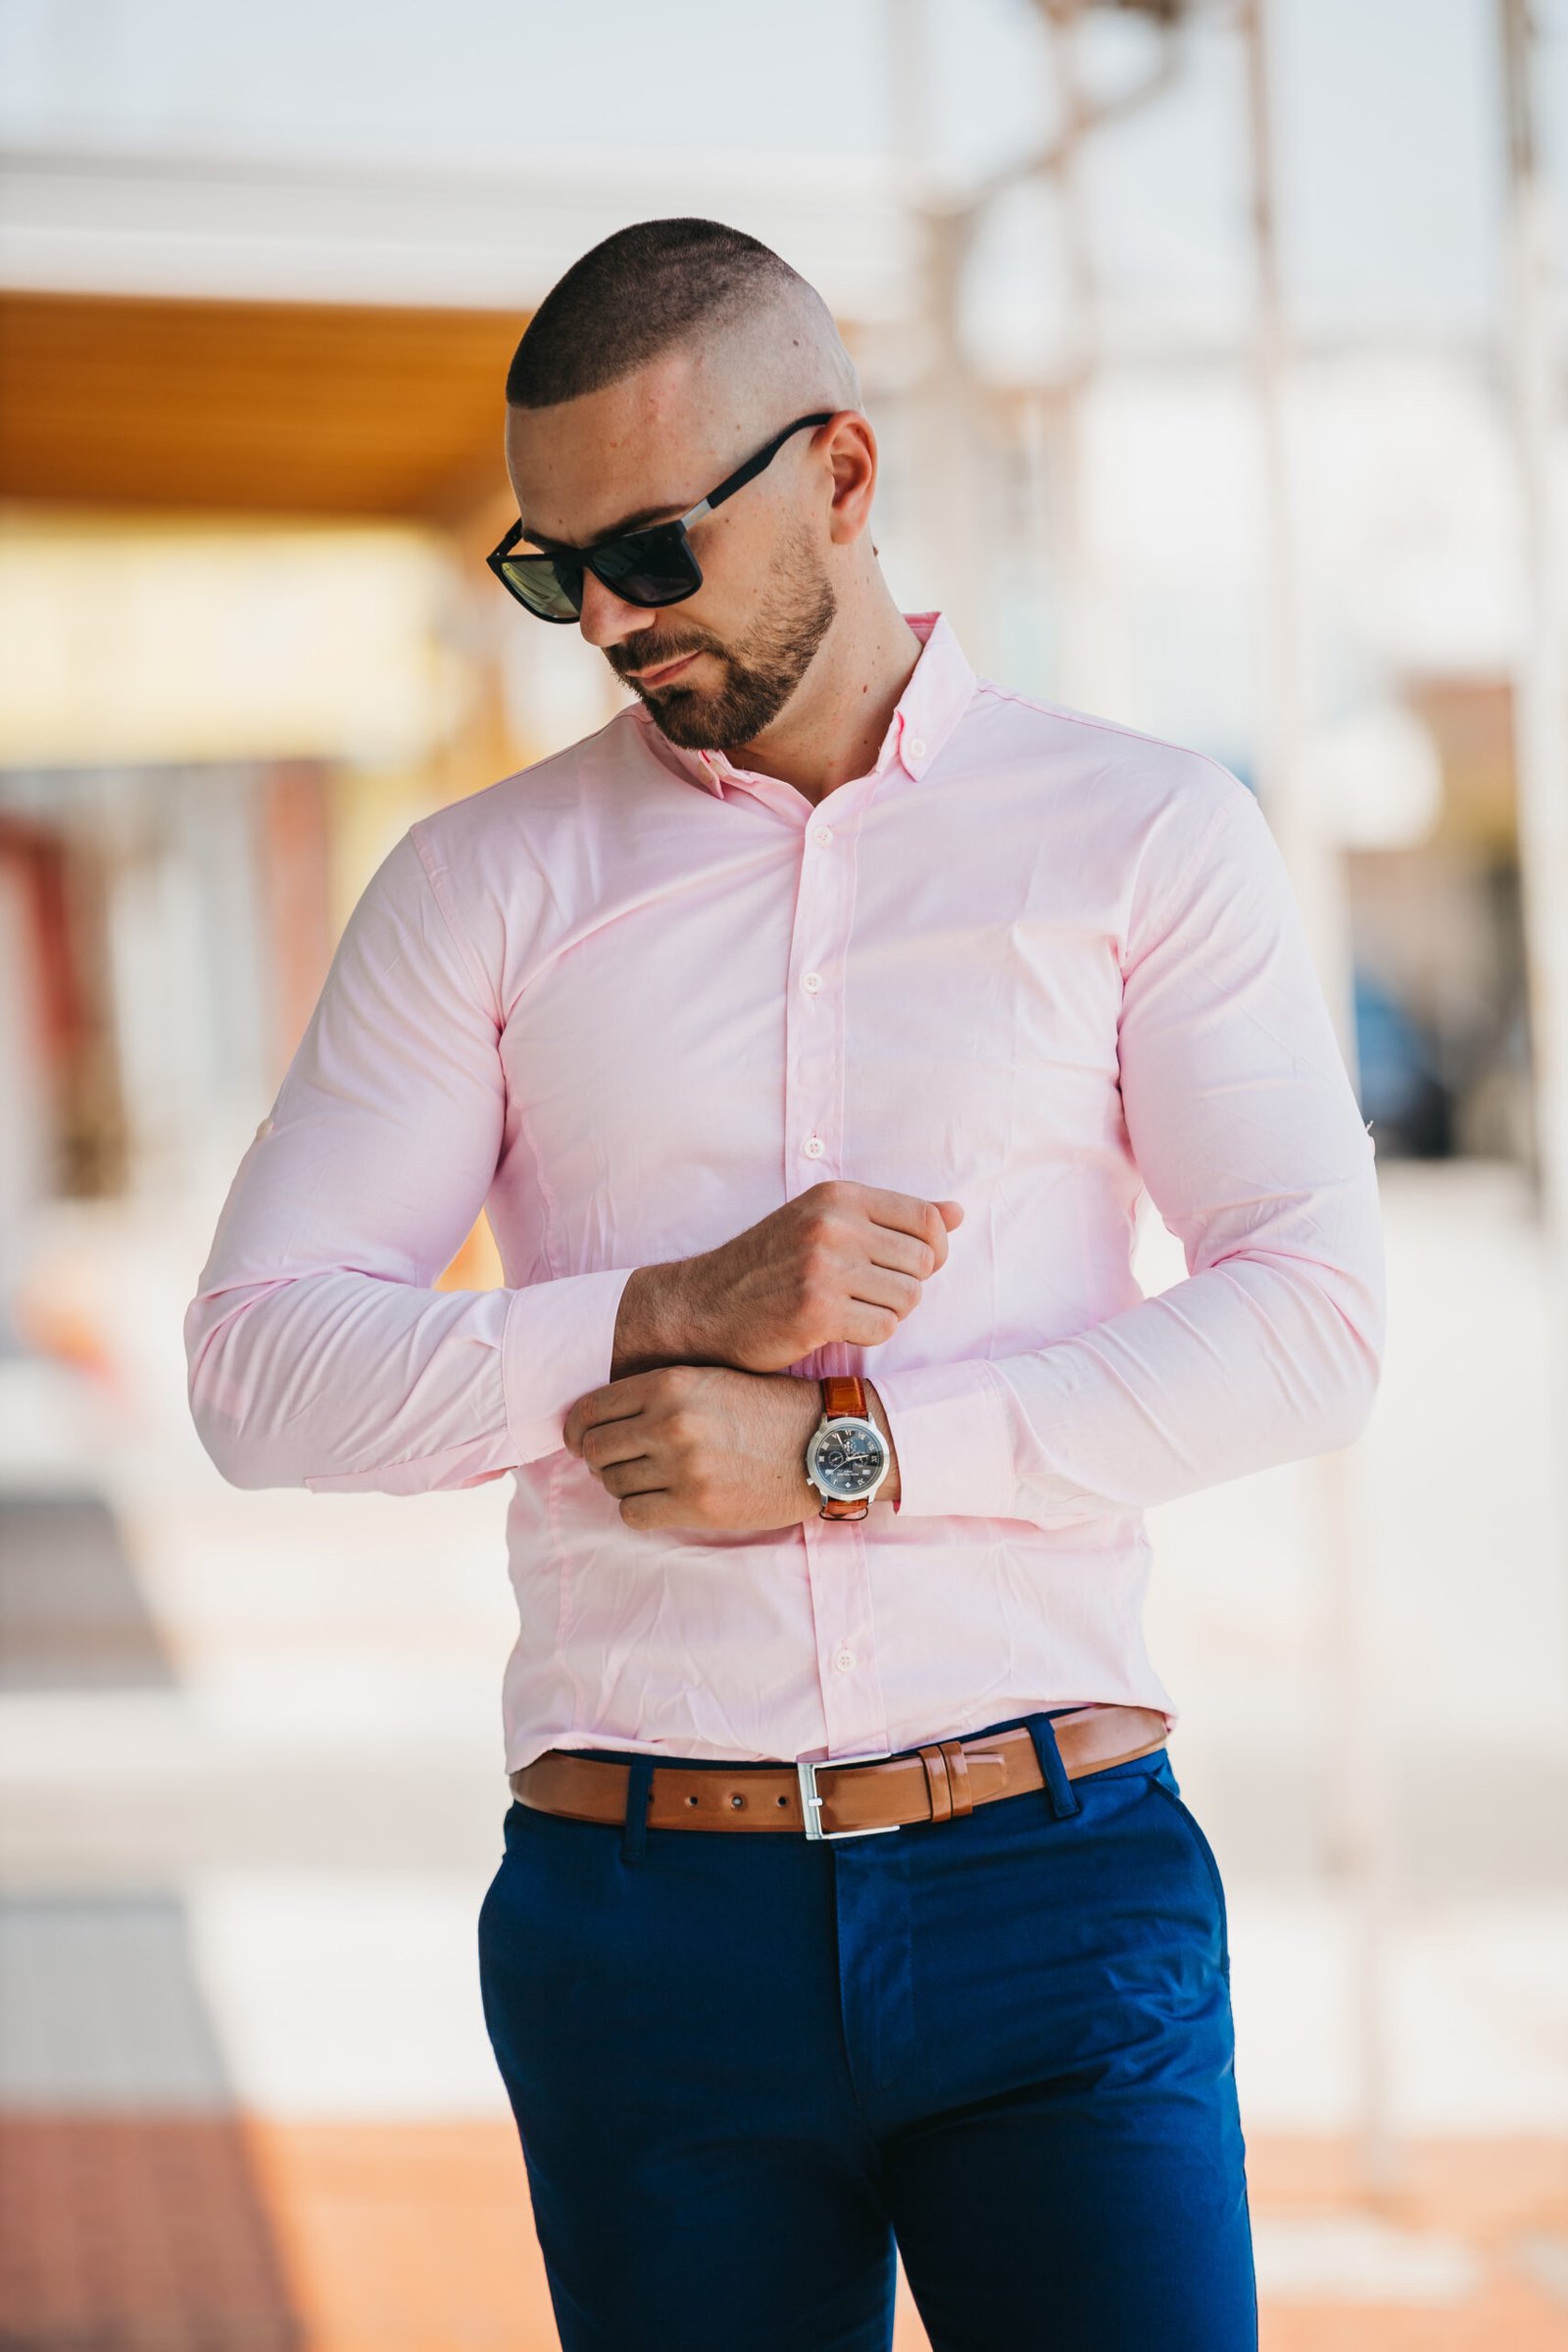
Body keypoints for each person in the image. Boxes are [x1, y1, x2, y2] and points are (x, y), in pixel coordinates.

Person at [184, 215, 1386, 2352]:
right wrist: (662, 1312)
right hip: (644, 1925)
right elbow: (257, 1373)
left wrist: (851, 1452)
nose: (606, 621)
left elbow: (1312, 1318)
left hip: (1048, 1887)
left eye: (651, 551)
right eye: (553, 571)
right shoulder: (478, 887)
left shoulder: (1142, 834)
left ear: (839, 473)